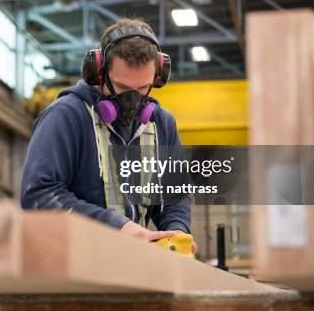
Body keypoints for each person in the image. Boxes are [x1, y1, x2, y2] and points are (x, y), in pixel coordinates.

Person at [21, 18, 195, 252]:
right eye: (122, 88)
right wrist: (115, 226)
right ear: (99, 73)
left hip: (127, 266)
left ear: (156, 77)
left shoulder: (162, 125)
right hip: (69, 264)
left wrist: (177, 231)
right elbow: (39, 195)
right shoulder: (65, 117)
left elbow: (174, 196)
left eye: (143, 89)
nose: (133, 102)